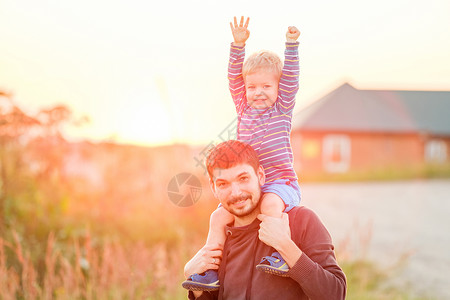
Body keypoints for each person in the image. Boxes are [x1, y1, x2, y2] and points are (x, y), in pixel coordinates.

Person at [182, 16, 302, 291]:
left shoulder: (281, 109)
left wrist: (291, 45)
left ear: (277, 88)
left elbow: (292, 78)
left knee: (271, 205)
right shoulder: (243, 109)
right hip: (249, 182)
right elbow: (233, 79)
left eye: (266, 86)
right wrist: (238, 45)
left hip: (279, 184)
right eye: (252, 87)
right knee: (217, 217)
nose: (258, 92)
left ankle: (279, 255)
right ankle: (209, 271)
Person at [183, 140, 346, 299]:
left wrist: (285, 246)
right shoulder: (219, 237)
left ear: (260, 175)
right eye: (223, 184)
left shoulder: (301, 221)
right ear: (213, 188)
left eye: (243, 178)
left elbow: (335, 294)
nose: (235, 192)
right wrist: (192, 277)